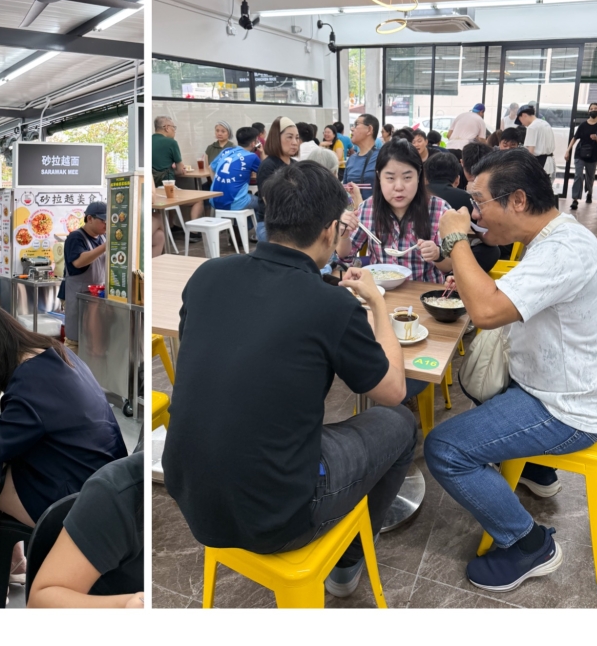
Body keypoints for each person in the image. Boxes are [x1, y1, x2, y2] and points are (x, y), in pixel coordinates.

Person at [163, 161, 415, 597]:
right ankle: (347, 562)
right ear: (329, 231)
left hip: (189, 495)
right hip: (280, 517)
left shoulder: (207, 275)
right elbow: (393, 391)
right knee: (403, 424)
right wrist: (376, 303)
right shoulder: (331, 304)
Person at [425, 149, 597, 593]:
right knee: (480, 382)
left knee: (444, 448)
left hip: (566, 409)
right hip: (558, 383)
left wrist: (456, 240)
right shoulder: (554, 236)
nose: (474, 213)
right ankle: (538, 471)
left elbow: (487, 312)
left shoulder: (563, 251)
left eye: (478, 201)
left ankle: (530, 544)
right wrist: (468, 275)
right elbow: (513, 294)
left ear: (519, 200)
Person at [0, 304, 127, 599]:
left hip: (77, 501)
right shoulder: (55, 352)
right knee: (0, 467)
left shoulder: (30, 382)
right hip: (106, 483)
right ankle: (13, 562)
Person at [28, 452, 144, 608]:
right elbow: (38, 604)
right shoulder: (115, 494)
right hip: (76, 487)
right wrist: (126, 605)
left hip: (70, 481)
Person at [336, 140, 453, 284]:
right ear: (379, 176)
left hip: (424, 292)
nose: (399, 187)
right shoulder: (368, 208)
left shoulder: (440, 210)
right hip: (379, 291)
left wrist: (437, 254)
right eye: (390, 178)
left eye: (407, 177)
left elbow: (451, 266)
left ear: (419, 175)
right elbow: (345, 255)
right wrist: (344, 234)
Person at [425, 152, 499, 274]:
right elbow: (483, 233)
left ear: (425, 178)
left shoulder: (418, 196)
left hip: (422, 255)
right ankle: (459, 277)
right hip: (447, 258)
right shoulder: (465, 197)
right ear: (457, 179)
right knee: (492, 250)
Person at [62, 202, 107, 349]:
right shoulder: (75, 237)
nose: (106, 225)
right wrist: (105, 247)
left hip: (95, 298)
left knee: (91, 341)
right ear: (89, 218)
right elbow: (79, 262)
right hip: (76, 296)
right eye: (103, 220)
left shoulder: (103, 238)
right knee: (75, 340)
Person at [151, 116, 204, 228]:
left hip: (152, 191)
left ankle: (171, 226)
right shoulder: (171, 143)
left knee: (170, 200)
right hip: (166, 189)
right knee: (199, 200)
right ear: (166, 128)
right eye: (173, 127)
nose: (174, 130)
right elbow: (180, 170)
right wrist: (174, 170)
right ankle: (194, 231)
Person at [255, 117, 300, 242]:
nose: (295, 142)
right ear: (276, 138)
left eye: (297, 138)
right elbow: (270, 203)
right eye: (289, 137)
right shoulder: (268, 166)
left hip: (295, 223)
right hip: (271, 226)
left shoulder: (296, 165)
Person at [210, 126, 261, 214]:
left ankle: (242, 223)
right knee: (265, 204)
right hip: (235, 202)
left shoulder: (226, 151)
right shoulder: (252, 156)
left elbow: (210, 167)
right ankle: (251, 223)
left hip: (214, 200)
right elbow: (266, 172)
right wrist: (262, 152)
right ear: (253, 143)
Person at [565, 103, 597, 210]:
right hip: (580, 153)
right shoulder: (583, 125)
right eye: (591, 109)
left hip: (593, 154)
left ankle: (589, 193)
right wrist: (568, 151)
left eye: (595, 108)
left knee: (590, 176)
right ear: (588, 111)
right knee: (578, 175)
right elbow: (575, 138)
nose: (593, 110)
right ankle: (575, 199)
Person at [343, 113, 381, 200]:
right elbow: (345, 189)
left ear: (369, 129)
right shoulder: (351, 159)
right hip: (354, 208)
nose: (352, 129)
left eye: (356, 124)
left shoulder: (381, 157)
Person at [516, 104, 555, 172]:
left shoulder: (532, 127)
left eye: (520, 120)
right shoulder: (545, 123)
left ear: (524, 115)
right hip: (550, 163)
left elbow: (530, 152)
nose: (522, 124)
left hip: (540, 163)